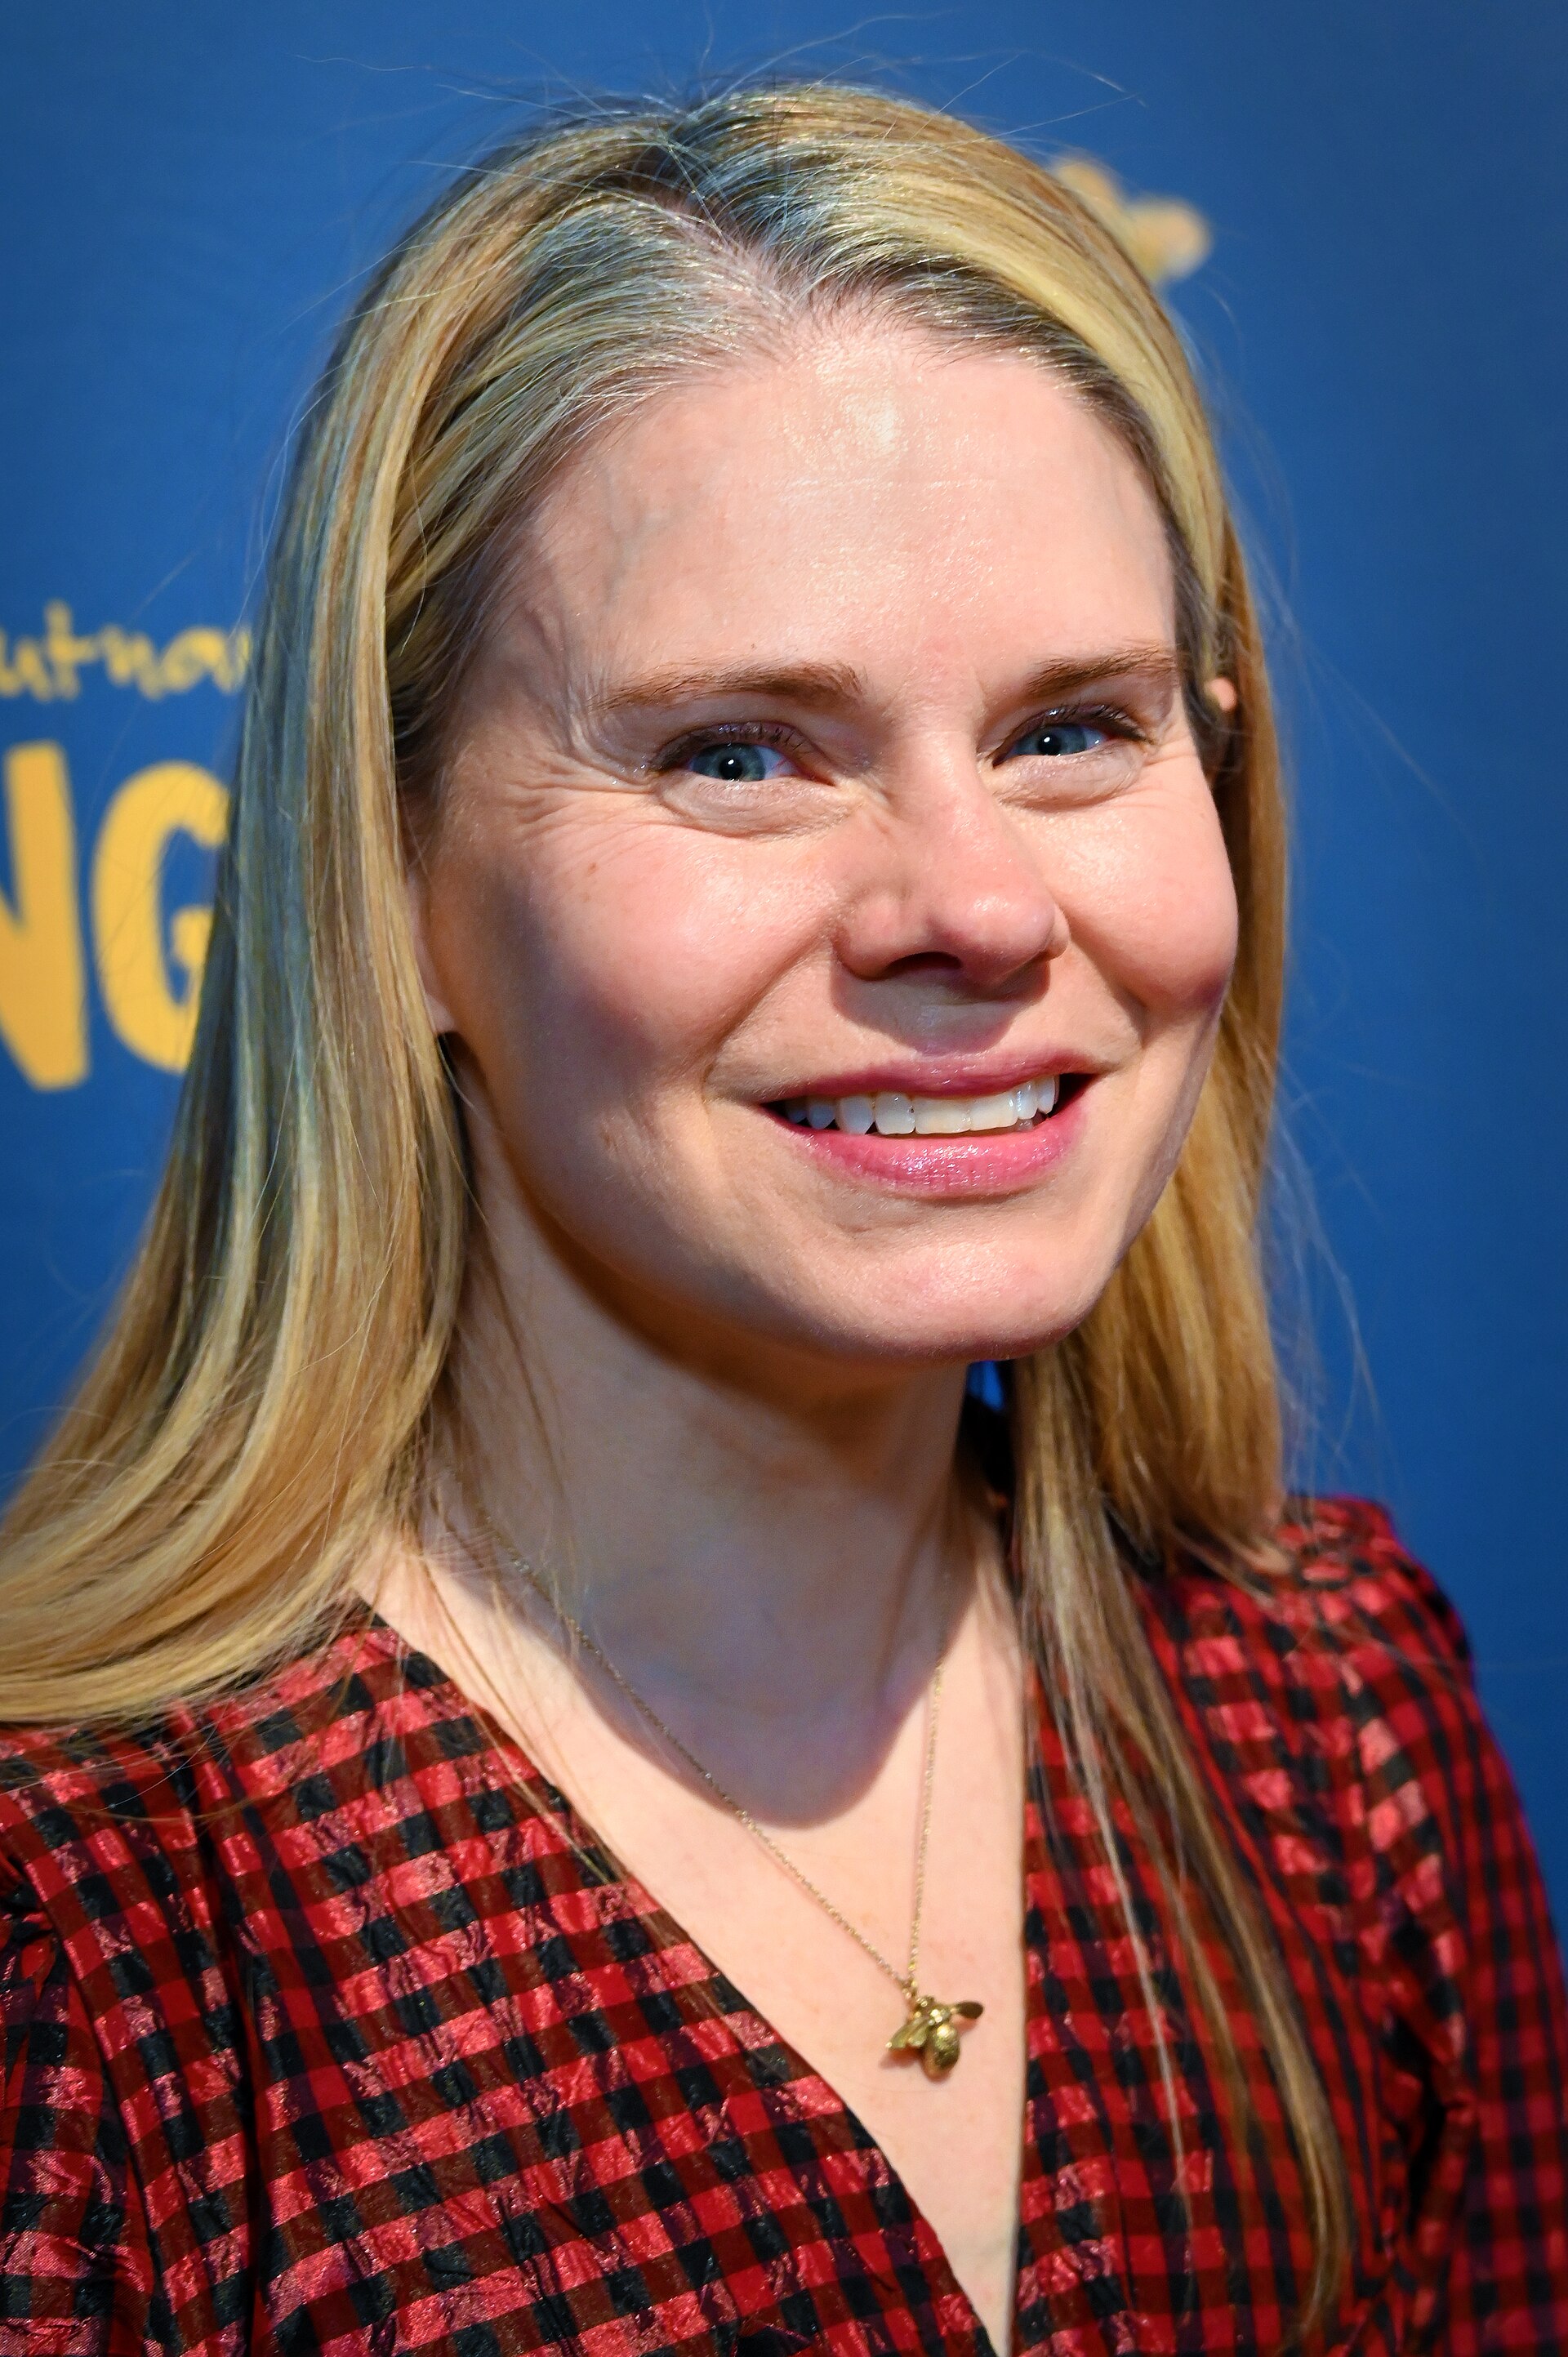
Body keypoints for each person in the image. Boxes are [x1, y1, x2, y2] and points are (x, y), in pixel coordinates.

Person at [0, 83, 1563, 2357]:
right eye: (743, 750)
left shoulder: (1342, 1736)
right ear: (396, 882)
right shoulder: (101, 1957)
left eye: (1074, 730)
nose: (973, 904)